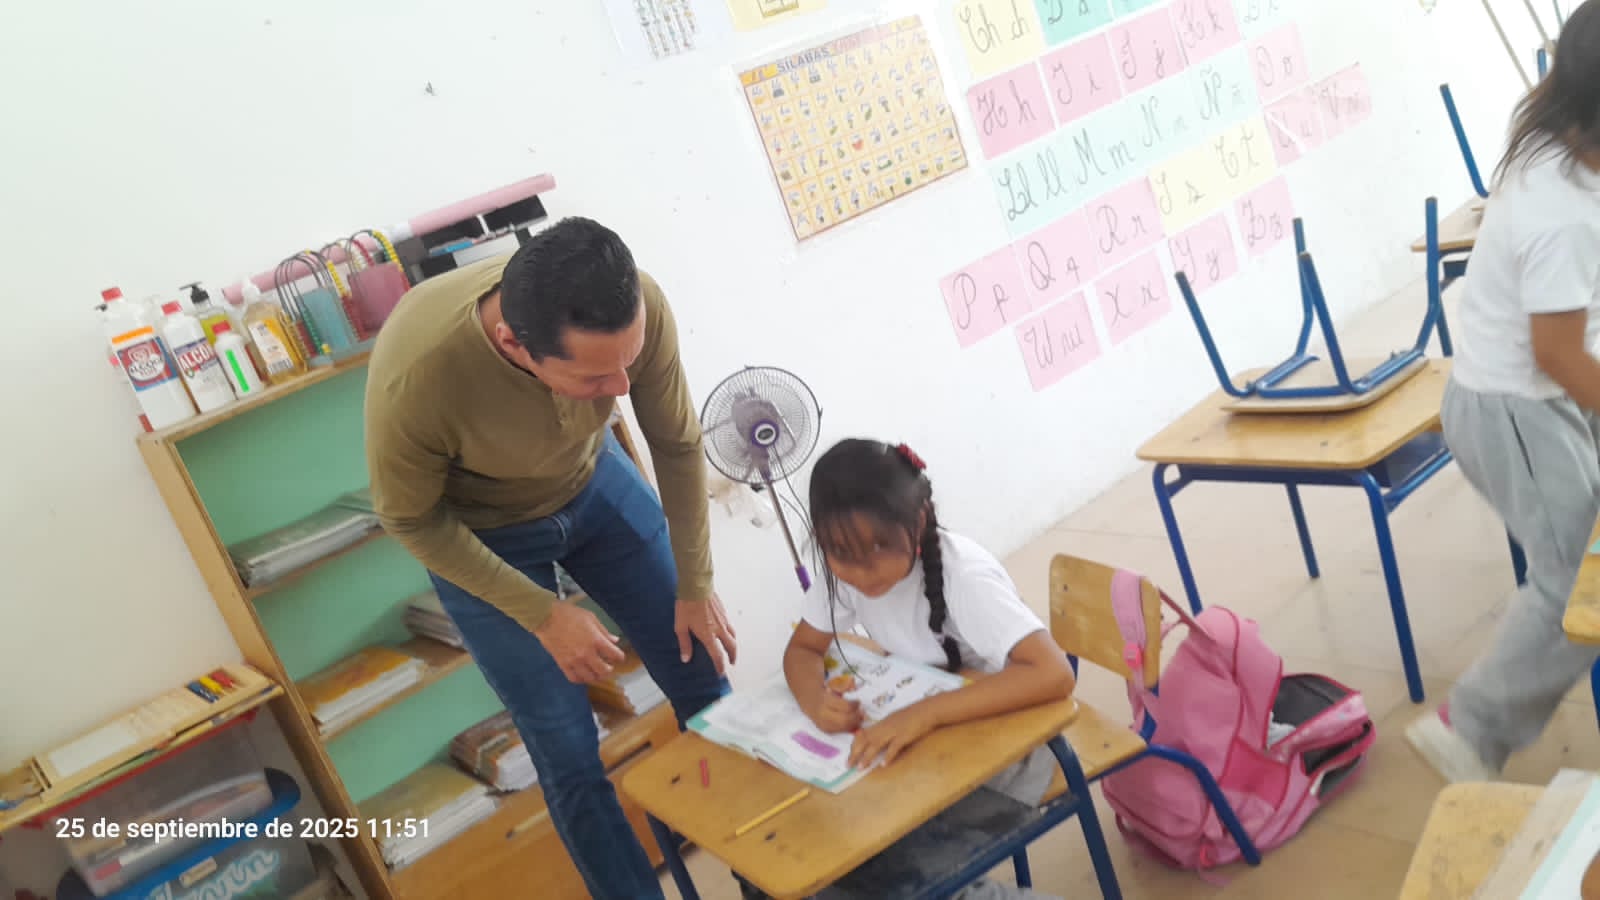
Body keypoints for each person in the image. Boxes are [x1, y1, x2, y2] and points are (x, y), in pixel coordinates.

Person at [364, 217, 738, 898]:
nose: (621, 386)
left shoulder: (638, 303)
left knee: (704, 676)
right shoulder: (421, 372)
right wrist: (542, 613)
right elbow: (409, 518)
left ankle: (767, 871)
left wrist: (695, 579)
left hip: (596, 482)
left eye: (629, 362)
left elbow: (677, 443)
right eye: (594, 376)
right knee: (567, 753)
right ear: (514, 344)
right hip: (485, 534)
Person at [1406, 0, 1600, 783]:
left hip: (1538, 393)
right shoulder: (1563, 214)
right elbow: (1557, 353)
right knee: (1574, 579)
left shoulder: (1553, 125)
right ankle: (1471, 729)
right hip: (1515, 411)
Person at [780, 438, 1075, 900]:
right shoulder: (843, 575)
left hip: (1014, 750)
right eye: (841, 552)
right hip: (934, 751)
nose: (862, 571)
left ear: (918, 521)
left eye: (879, 546)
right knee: (827, 858)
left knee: (892, 876)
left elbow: (1054, 674)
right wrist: (814, 700)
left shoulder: (965, 578)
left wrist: (924, 714)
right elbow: (802, 650)